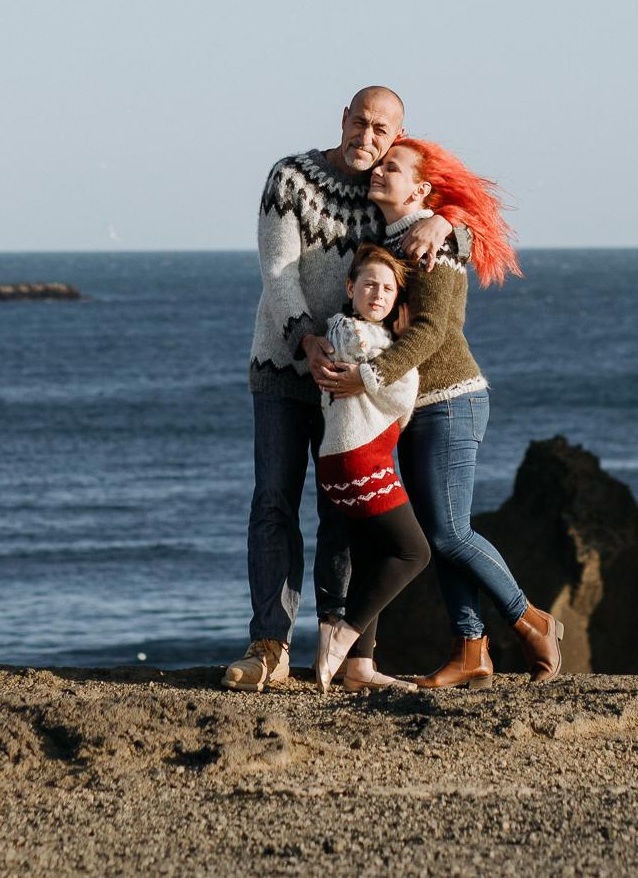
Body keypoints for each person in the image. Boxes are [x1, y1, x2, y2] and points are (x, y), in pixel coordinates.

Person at [227, 87, 461, 693]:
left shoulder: (386, 187)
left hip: (349, 385)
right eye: (362, 122)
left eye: (384, 131)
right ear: (343, 119)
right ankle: (269, 646)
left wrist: (443, 218)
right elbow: (277, 270)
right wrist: (306, 341)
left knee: (345, 514)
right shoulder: (292, 177)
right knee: (275, 503)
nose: (370, 138)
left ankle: (343, 652)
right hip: (285, 368)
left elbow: (452, 216)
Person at [310, 136, 563, 686]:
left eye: (392, 168)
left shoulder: (431, 241)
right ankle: (471, 649)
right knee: (441, 529)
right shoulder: (398, 239)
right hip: (419, 406)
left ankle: (530, 620)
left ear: (422, 188)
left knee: (446, 535)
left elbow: (432, 330)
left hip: (451, 400)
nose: (379, 173)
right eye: (379, 167)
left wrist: (367, 377)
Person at [306, 244, 431, 690]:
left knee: (372, 554)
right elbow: (401, 395)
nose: (378, 294)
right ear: (350, 287)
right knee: (414, 552)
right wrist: (400, 366)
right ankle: (345, 633)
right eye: (369, 284)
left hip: (339, 460)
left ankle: (359, 667)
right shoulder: (363, 338)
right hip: (361, 460)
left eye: (388, 288)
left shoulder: (338, 331)